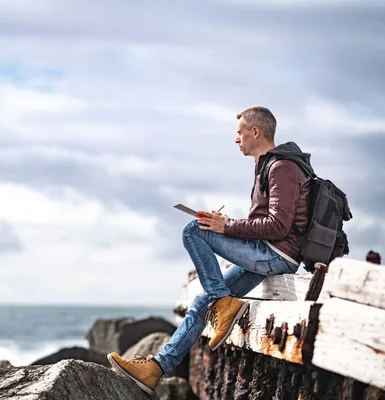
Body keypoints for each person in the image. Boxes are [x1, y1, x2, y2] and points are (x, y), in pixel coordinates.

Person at [107, 106, 312, 395]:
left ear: (255, 131)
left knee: (193, 231)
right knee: (204, 299)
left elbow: (278, 226)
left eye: (239, 132)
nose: (236, 139)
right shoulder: (267, 166)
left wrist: (226, 227)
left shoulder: (282, 168)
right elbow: (262, 222)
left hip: (277, 255)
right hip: (265, 252)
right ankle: (156, 369)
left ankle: (223, 303)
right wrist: (224, 222)